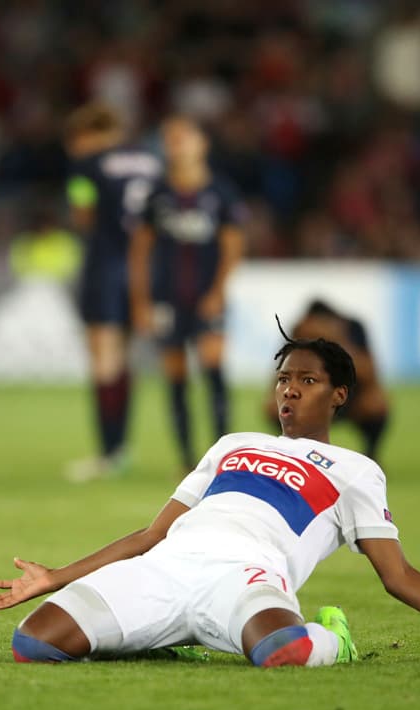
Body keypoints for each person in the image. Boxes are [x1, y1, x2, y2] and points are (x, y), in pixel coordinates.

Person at [0, 327, 420, 668]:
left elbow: (397, 575)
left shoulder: (357, 470)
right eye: (283, 379)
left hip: (245, 579)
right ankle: (171, 634)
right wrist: (55, 576)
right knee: (33, 643)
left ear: (338, 396)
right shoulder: (233, 443)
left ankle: (336, 639)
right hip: (163, 570)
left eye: (306, 382)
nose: (289, 390)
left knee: (285, 651)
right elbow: (151, 535)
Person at [129, 116, 245, 472]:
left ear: (201, 145)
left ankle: (224, 455)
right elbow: (141, 251)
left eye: (182, 138)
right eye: (170, 140)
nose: (175, 145)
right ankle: (187, 461)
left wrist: (218, 292)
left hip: (207, 297)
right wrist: (142, 302)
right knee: (176, 378)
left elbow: (233, 247)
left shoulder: (220, 193)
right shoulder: (157, 196)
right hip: (168, 299)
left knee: (213, 370)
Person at [62, 103, 162, 483]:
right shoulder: (152, 161)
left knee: (104, 357)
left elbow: (82, 212)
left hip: (105, 265)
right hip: (145, 269)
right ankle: (121, 449)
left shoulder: (86, 165)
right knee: (125, 359)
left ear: (85, 134)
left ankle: (108, 452)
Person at [263, 300, 390, 462]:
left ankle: (372, 454)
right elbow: (282, 371)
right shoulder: (300, 330)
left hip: (351, 397)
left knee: (376, 404)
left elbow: (370, 374)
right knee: (275, 406)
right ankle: (291, 453)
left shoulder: (353, 328)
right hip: (311, 400)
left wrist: (336, 340)